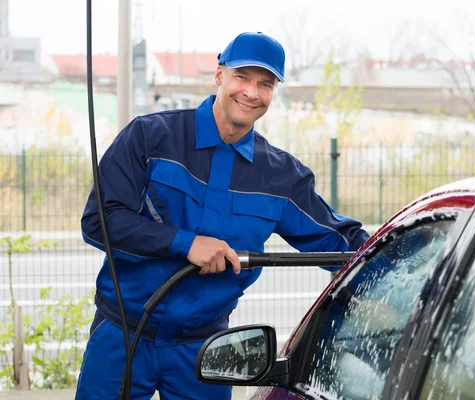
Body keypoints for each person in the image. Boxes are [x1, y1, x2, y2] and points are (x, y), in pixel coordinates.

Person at [75, 31, 370, 400]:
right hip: (122, 336)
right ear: (219, 75)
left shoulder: (280, 176)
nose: (251, 92)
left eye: (265, 84)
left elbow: (338, 240)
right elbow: (99, 221)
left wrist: (396, 263)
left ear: (273, 92)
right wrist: (185, 244)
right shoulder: (149, 138)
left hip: (205, 352)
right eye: (242, 78)